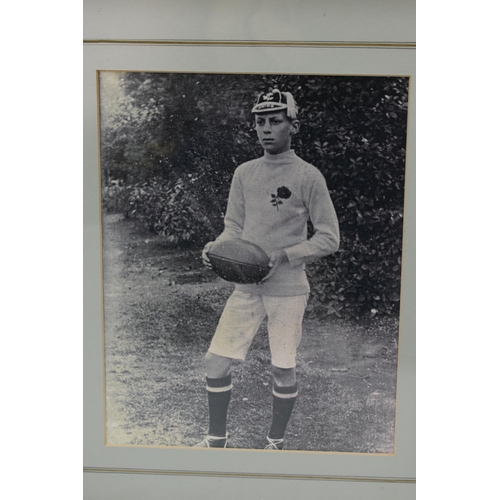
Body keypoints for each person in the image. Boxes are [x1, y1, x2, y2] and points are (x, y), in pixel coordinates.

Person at [196, 88, 340, 450]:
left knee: (282, 368)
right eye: (260, 121)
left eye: (275, 121)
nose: (266, 128)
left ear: (294, 125)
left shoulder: (309, 176)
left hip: (288, 290)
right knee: (215, 361)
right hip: (247, 288)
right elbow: (233, 227)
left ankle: (274, 444)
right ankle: (216, 441)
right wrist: (217, 248)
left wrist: (287, 255)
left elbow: (329, 238)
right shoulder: (244, 173)